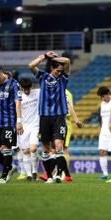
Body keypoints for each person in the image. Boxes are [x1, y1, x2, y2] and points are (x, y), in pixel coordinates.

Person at [29, 50, 70, 184]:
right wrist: (44, 57)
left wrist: (56, 58)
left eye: (60, 71)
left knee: (59, 146)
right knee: (46, 149)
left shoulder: (63, 78)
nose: (59, 73)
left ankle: (58, 174)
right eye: (57, 70)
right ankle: (49, 176)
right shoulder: (43, 77)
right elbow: (31, 66)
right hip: (44, 117)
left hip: (59, 116)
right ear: (51, 68)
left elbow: (67, 61)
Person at [97, 86, 111, 179]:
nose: (102, 98)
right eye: (101, 97)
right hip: (104, 130)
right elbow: (102, 118)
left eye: (103, 96)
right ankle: (105, 174)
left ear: (108, 94)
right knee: (102, 151)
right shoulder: (102, 104)